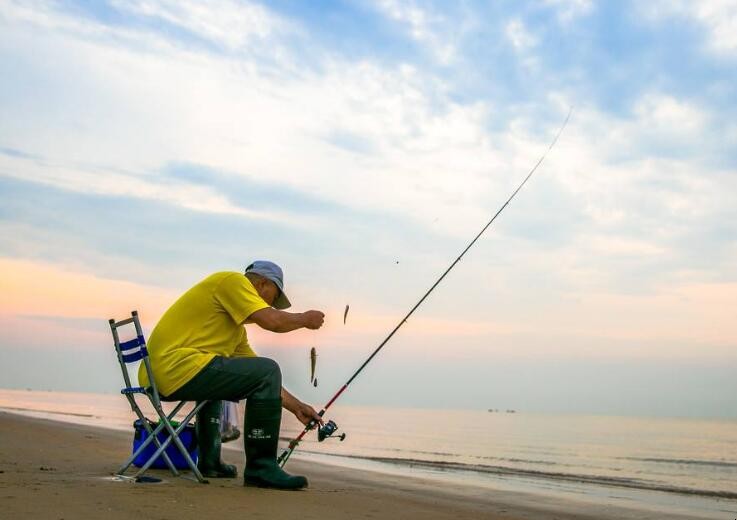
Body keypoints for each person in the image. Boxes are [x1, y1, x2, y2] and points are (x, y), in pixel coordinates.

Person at [138, 261, 325, 490]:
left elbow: (260, 378)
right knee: (269, 368)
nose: (272, 305)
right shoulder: (233, 281)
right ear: (261, 284)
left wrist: (297, 407)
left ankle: (210, 462)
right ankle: (261, 468)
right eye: (273, 299)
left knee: (250, 375)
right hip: (173, 368)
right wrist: (304, 319)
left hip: (158, 375)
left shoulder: (235, 331)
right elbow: (272, 323)